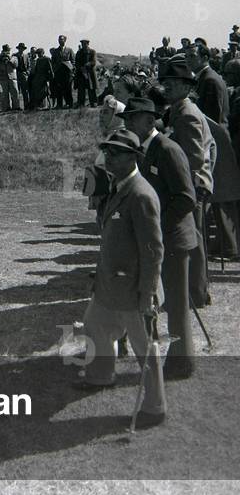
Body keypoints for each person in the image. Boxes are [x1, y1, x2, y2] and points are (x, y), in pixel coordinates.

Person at [76, 129, 166, 429]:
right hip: (109, 286)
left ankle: (155, 408)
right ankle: (100, 375)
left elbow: (153, 250)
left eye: (115, 153)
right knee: (93, 326)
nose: (108, 158)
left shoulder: (140, 194)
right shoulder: (117, 188)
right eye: (108, 152)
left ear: (132, 157)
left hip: (134, 290)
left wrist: (148, 294)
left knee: (145, 350)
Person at [119, 96, 198, 379]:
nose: (127, 124)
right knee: (160, 301)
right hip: (159, 238)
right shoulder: (144, 149)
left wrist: (156, 226)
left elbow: (186, 198)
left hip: (174, 239)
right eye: (125, 119)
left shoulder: (167, 149)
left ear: (150, 121)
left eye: (132, 119)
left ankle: (182, 363)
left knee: (176, 305)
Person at [161, 60, 214, 308]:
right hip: (191, 185)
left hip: (191, 187)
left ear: (185, 86)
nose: (166, 88)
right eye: (164, 84)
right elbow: (211, 146)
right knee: (192, 237)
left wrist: (195, 184)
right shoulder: (179, 110)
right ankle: (196, 290)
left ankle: (196, 293)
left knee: (193, 240)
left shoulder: (187, 114)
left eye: (171, 84)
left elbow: (194, 158)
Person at [188, 42, 228, 125]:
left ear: (204, 58)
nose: (187, 60)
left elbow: (213, 119)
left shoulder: (210, 80)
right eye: (186, 56)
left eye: (192, 56)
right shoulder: (200, 77)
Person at [52, 35, 75, 109]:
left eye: (62, 39)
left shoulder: (69, 50)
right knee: (59, 89)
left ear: (65, 40)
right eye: (59, 39)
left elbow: (73, 61)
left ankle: (69, 104)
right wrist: (55, 69)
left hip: (67, 72)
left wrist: (71, 69)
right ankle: (59, 104)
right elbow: (53, 62)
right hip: (58, 72)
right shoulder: (55, 51)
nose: (60, 41)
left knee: (68, 88)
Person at [74, 39, 98, 108]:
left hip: (90, 73)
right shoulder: (79, 52)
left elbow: (93, 62)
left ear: (88, 44)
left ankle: (93, 102)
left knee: (91, 88)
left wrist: (86, 65)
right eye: (82, 44)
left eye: (85, 44)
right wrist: (80, 68)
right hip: (81, 73)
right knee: (81, 89)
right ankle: (81, 103)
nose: (83, 45)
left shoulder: (92, 52)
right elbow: (76, 62)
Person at [0, 44, 21, 112]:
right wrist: (1, 57)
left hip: (12, 77)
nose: (6, 51)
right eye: (5, 49)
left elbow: (15, 65)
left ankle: (16, 106)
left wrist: (9, 57)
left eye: (7, 50)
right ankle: (6, 107)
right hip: (3, 77)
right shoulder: (0, 57)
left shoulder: (14, 57)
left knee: (15, 92)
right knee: (4, 93)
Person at [14, 42, 30, 108]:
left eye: (22, 48)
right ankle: (16, 106)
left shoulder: (26, 56)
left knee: (25, 91)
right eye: (20, 48)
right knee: (16, 91)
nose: (21, 49)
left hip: (24, 74)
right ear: (18, 49)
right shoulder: (14, 56)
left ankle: (26, 105)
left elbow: (29, 66)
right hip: (16, 74)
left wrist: (27, 72)